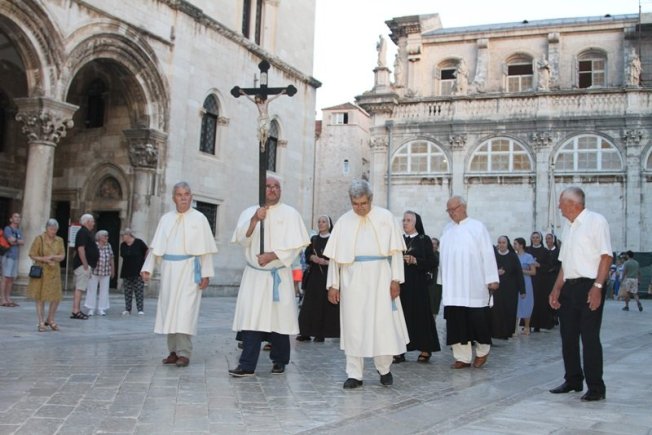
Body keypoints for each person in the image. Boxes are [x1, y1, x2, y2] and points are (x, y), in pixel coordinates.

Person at [324, 180, 409, 389]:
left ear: (370, 199)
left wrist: (396, 280)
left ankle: (384, 369)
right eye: (355, 204)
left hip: (381, 277)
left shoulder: (386, 218)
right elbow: (335, 258)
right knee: (353, 326)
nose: (360, 208)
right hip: (352, 279)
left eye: (363, 203)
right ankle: (354, 374)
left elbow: (396, 253)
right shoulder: (343, 222)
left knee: (382, 324)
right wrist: (333, 284)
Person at [229, 176, 309, 377]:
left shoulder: (291, 214)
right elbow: (241, 240)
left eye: (276, 187)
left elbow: (296, 246)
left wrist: (272, 256)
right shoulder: (249, 212)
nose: (273, 190)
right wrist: (255, 219)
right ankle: (247, 365)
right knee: (251, 319)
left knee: (279, 319)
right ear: (261, 189)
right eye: (268, 186)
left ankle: (280, 360)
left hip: (278, 275)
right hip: (255, 276)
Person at [141, 182, 218, 367]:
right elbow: (156, 246)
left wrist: (206, 273)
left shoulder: (200, 219)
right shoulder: (166, 219)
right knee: (170, 310)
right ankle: (173, 351)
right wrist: (147, 267)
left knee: (185, 311)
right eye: (179, 194)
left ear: (191, 197)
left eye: (186, 194)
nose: (183, 198)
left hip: (190, 271)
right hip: (169, 271)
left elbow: (205, 250)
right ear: (173, 198)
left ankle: (184, 352)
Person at [549, 186, 612, 402]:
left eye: (561, 203)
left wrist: (598, 287)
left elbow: (606, 257)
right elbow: (565, 263)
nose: (559, 207)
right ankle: (573, 380)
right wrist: (556, 288)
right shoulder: (568, 227)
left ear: (573, 204)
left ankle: (596, 387)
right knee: (568, 336)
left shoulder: (596, 221)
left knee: (589, 337)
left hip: (589, 286)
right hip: (569, 287)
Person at [439, 196, 498, 369]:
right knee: (456, 322)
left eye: (454, 209)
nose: (451, 213)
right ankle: (462, 357)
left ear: (463, 207)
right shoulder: (447, 230)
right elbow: (443, 258)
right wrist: (442, 280)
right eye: (448, 210)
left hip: (474, 283)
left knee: (478, 320)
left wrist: (492, 278)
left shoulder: (477, 227)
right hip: (453, 287)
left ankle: (482, 351)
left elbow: (487, 254)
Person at [394, 211, 440, 363]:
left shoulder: (423, 239)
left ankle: (425, 348)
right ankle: (400, 350)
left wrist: (415, 261)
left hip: (418, 285)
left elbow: (433, 262)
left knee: (421, 316)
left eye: (408, 220)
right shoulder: (399, 239)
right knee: (401, 317)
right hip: (402, 284)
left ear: (415, 223)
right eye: (404, 220)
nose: (405, 223)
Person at [296, 215, 339, 342]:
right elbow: (307, 254)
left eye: (323, 221)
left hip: (328, 275)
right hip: (314, 276)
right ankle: (305, 332)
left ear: (329, 224)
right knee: (309, 304)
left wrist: (327, 262)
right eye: (319, 221)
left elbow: (337, 257)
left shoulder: (334, 240)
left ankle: (321, 333)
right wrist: (312, 258)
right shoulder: (314, 239)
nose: (321, 224)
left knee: (323, 304)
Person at [27, 219, 65, 331]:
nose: (53, 232)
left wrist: (53, 257)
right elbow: (32, 254)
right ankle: (41, 322)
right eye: (51, 229)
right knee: (40, 297)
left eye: (55, 230)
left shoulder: (59, 240)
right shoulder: (39, 239)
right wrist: (44, 259)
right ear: (47, 228)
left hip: (54, 272)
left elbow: (62, 255)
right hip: (42, 272)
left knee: (56, 297)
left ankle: (51, 319)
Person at [491, 236, 525, 340]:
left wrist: (522, 290)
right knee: (497, 310)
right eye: (499, 242)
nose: (501, 244)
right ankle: (496, 332)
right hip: (497, 289)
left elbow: (519, 273)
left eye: (503, 242)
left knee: (509, 310)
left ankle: (507, 332)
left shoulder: (513, 256)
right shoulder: (494, 256)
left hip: (511, 289)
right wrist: (496, 272)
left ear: (507, 244)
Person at [71, 214, 99, 319]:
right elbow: (80, 249)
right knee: (80, 288)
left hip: (85, 265)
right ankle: (76, 310)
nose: (94, 223)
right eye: (92, 221)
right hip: (82, 265)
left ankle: (76, 309)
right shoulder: (83, 232)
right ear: (87, 222)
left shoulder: (86, 232)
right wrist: (85, 264)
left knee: (81, 288)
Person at [527, 231, 556, 332]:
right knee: (530, 301)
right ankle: (528, 324)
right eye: (533, 237)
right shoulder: (528, 250)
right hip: (529, 279)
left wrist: (539, 265)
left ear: (540, 239)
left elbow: (549, 266)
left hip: (542, 280)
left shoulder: (545, 251)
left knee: (540, 301)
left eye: (537, 237)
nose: (535, 239)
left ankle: (539, 324)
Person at [84, 230, 114, 316]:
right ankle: (91, 308)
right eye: (105, 236)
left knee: (104, 290)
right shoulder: (94, 245)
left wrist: (113, 270)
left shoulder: (108, 245)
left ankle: (101, 308)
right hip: (94, 271)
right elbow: (89, 257)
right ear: (100, 237)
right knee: (92, 290)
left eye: (107, 236)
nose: (107, 237)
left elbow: (111, 258)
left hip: (106, 271)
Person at [119, 228, 149, 316]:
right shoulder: (123, 245)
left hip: (138, 271)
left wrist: (145, 262)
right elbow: (123, 255)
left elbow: (147, 250)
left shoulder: (139, 242)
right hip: (126, 271)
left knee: (139, 291)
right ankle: (127, 309)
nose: (122, 237)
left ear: (128, 235)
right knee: (127, 291)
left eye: (123, 235)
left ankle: (140, 309)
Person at [1, 212, 24, 307]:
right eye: (15, 217)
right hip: (8, 256)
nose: (17, 218)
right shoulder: (7, 228)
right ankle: (2, 299)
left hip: (15, 256)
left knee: (11, 278)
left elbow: (22, 242)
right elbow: (10, 240)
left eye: (19, 217)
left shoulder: (19, 230)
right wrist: (16, 241)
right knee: (5, 278)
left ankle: (8, 298)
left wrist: (15, 241)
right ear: (11, 219)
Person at [514, 237, 536, 335]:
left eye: (516, 243)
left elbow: (533, 272)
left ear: (521, 245)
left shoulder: (528, 256)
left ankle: (527, 327)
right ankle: (515, 327)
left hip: (526, 282)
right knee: (516, 304)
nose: (514, 245)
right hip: (516, 283)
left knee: (527, 303)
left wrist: (521, 271)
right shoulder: (514, 256)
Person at [427, 237, 442, 318]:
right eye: (431, 243)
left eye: (434, 244)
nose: (432, 245)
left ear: (437, 246)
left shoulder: (440, 256)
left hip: (437, 284)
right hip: (427, 284)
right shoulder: (425, 254)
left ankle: (433, 322)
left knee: (435, 305)